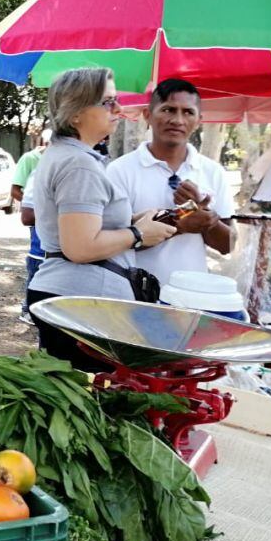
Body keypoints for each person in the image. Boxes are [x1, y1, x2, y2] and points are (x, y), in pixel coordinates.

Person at [26, 67, 176, 370]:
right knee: (90, 392)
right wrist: (138, 234)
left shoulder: (69, 156)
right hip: (82, 302)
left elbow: (84, 225)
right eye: (108, 102)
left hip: (74, 298)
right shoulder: (79, 164)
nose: (118, 109)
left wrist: (135, 221)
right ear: (75, 114)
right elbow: (79, 247)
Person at [107, 79, 234, 285]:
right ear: (147, 115)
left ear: (199, 120)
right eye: (168, 110)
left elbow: (228, 245)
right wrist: (179, 223)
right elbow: (109, 242)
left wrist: (206, 218)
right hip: (133, 293)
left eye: (188, 112)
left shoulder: (213, 172)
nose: (177, 120)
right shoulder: (120, 171)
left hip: (191, 293)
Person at [11, 129, 51, 325]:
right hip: (40, 227)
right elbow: (16, 193)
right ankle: (29, 309)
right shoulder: (32, 162)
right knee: (37, 264)